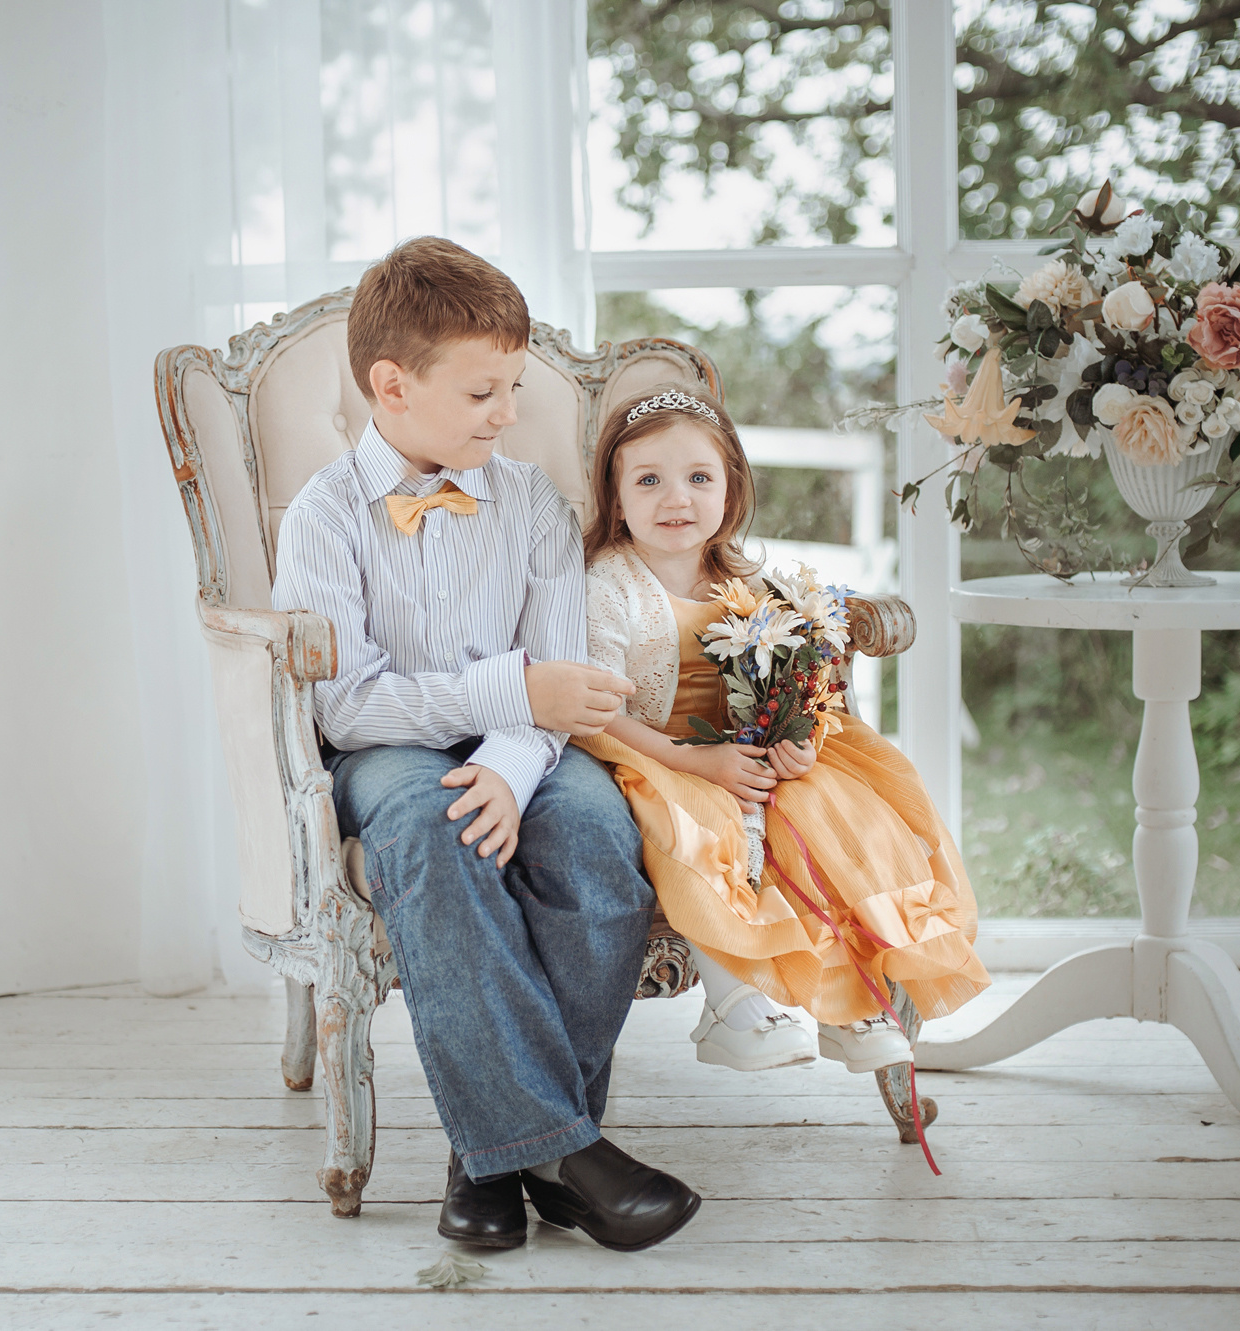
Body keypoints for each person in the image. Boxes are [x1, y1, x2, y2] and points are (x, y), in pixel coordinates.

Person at [271, 238, 700, 1252]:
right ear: (391, 385)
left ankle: (496, 1156)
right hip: (387, 747)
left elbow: (555, 686)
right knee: (434, 826)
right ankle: (569, 1154)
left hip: (530, 745)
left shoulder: (533, 505)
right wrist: (510, 690)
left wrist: (510, 763)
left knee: (597, 839)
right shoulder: (323, 516)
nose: (507, 412)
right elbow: (347, 710)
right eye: (483, 392)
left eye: (511, 386)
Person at [576, 384, 991, 1077]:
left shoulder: (749, 579)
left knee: (834, 807)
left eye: (698, 478)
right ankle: (734, 1005)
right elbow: (598, 712)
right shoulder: (609, 585)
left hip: (746, 749)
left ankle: (857, 996)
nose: (676, 499)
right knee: (704, 819)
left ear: (731, 491)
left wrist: (799, 735)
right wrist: (695, 760)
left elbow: (802, 679)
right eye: (649, 480)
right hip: (651, 753)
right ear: (616, 499)